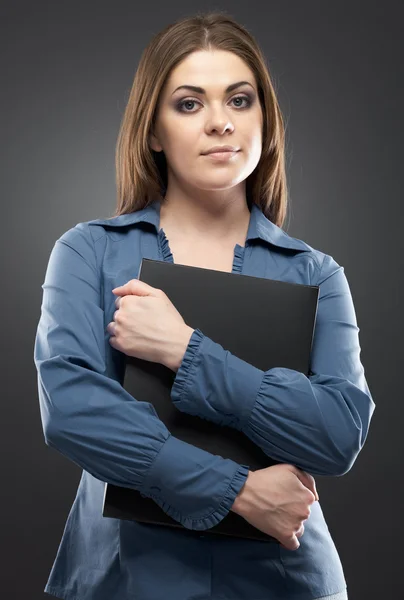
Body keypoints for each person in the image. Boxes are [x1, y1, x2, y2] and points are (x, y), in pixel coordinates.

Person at [33, 10, 375, 600]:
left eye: (240, 100)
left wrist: (184, 350)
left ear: (266, 121)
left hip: (286, 581)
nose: (220, 122)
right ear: (153, 130)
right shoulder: (88, 251)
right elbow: (74, 412)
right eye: (190, 104)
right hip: (125, 579)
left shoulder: (316, 273)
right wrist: (240, 490)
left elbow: (338, 436)